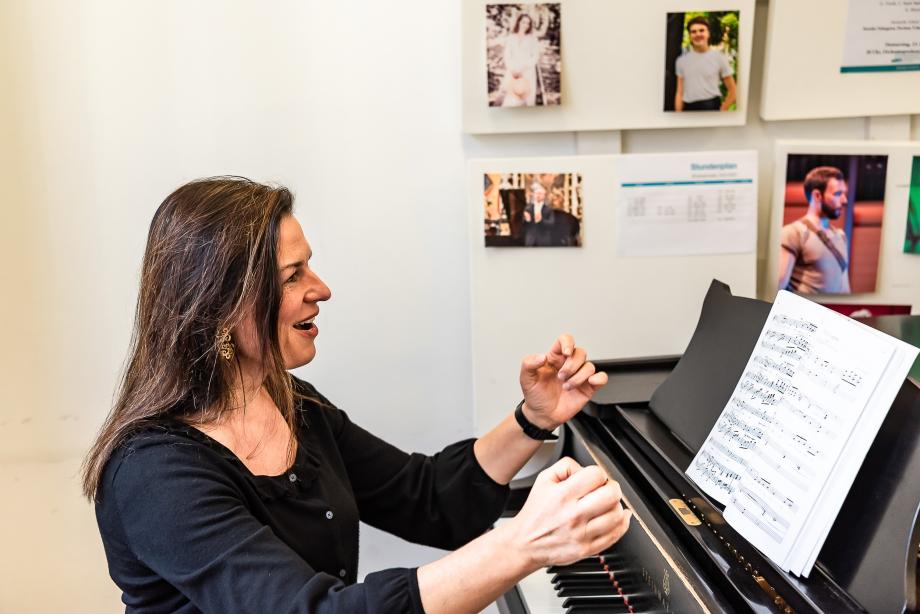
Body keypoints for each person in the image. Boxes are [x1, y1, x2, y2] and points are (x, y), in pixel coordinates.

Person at [81, 177, 631, 613]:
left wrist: (533, 417)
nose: (321, 289)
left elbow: (428, 500)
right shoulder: (153, 474)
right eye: (293, 276)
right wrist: (522, 545)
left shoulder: (294, 404)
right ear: (221, 305)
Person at [778, 166, 851, 294]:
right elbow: (777, 289)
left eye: (844, 194)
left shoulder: (841, 236)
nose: (844, 200)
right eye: (838, 194)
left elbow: (845, 288)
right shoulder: (793, 233)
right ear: (817, 195)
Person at [674, 16, 737, 112]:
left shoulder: (719, 57)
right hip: (688, 109)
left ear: (708, 33)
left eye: (701, 30)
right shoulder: (681, 61)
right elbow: (679, 93)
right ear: (690, 36)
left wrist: (722, 111)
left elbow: (733, 90)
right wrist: (677, 115)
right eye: (693, 32)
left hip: (712, 107)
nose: (698, 34)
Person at [501, 13, 540, 107]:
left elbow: (535, 56)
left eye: (528, 23)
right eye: (523, 22)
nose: (525, 25)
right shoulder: (511, 37)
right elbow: (507, 55)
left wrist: (523, 69)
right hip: (513, 71)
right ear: (518, 22)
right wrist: (512, 69)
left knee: (526, 98)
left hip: (527, 71)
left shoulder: (532, 38)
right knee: (512, 98)